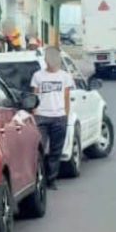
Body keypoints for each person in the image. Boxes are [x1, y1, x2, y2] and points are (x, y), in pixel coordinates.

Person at [30, 46, 73, 190]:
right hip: (42, 116)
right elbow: (34, 95)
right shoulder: (38, 76)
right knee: (39, 149)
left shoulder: (65, 76)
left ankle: (51, 179)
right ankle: (38, 179)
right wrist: (35, 112)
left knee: (56, 150)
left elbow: (67, 97)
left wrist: (66, 115)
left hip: (59, 117)